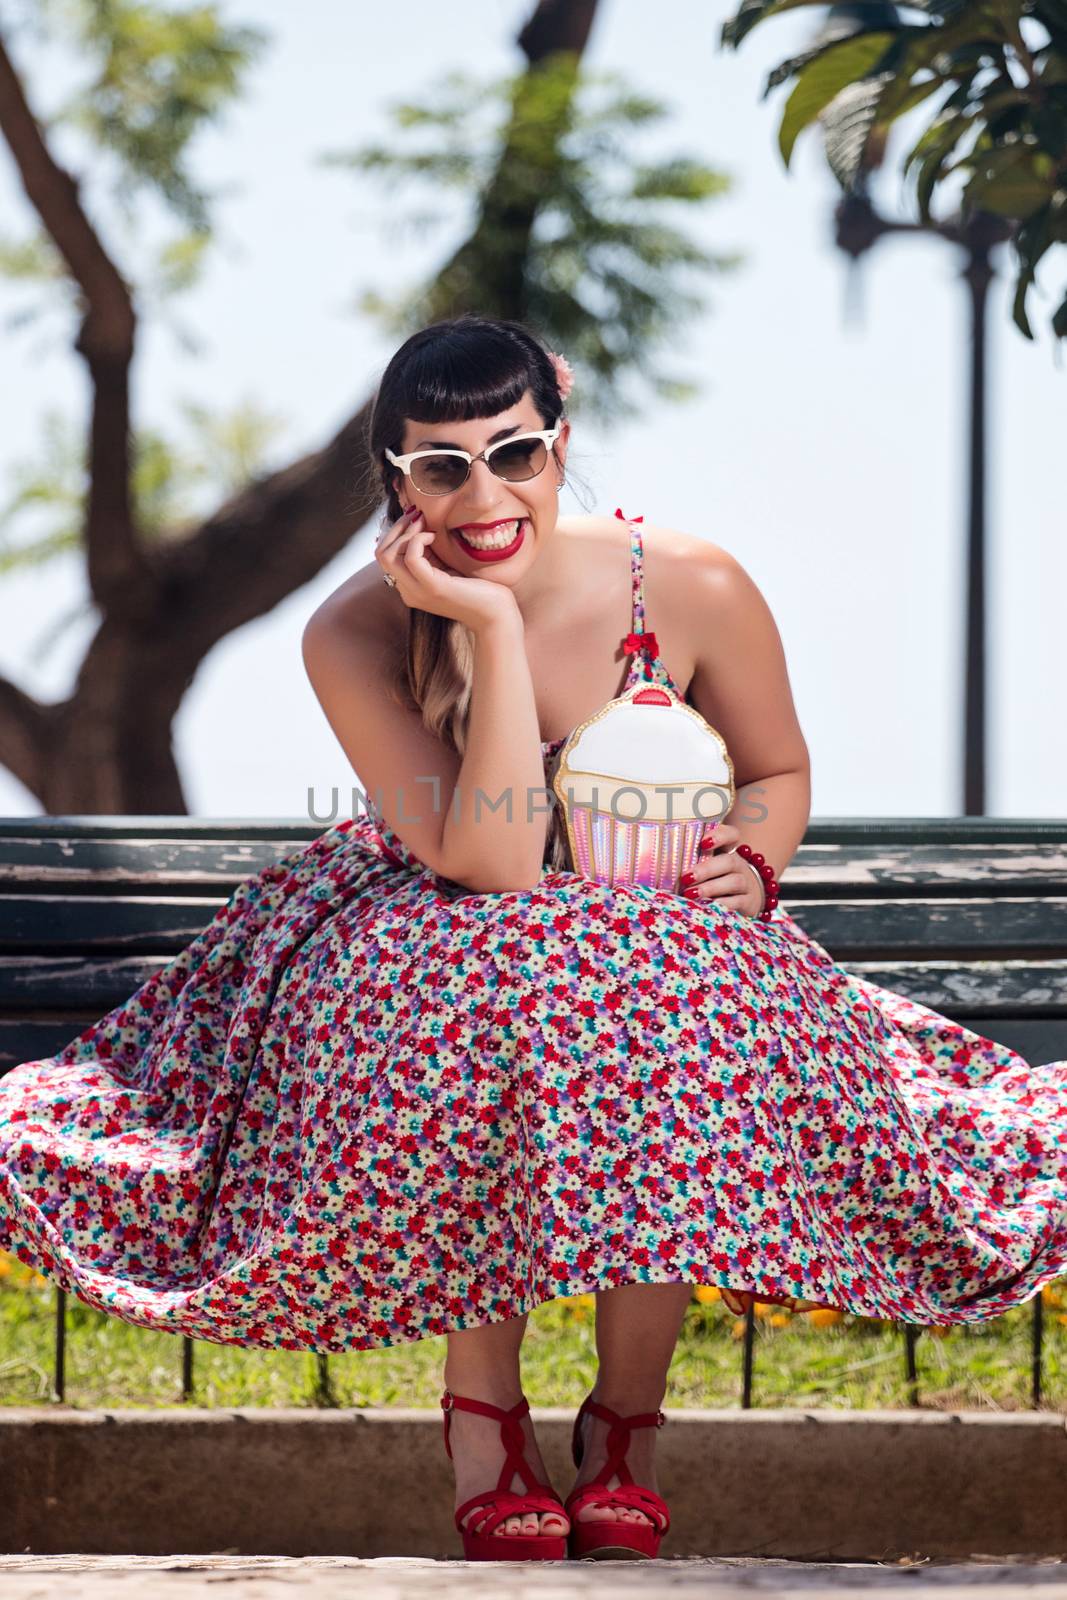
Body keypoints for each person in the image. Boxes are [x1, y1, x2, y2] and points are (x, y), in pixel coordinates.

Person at [2, 313, 1067, 1563]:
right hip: (429, 918)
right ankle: (482, 1414)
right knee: (503, 978)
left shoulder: (689, 581)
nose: (483, 492)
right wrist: (489, 631)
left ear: (558, 441)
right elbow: (491, 859)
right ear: (393, 480)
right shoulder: (352, 630)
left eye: (513, 453)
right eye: (440, 464)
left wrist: (756, 857)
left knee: (667, 989)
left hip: (653, 925)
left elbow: (773, 766)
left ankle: (626, 1425)